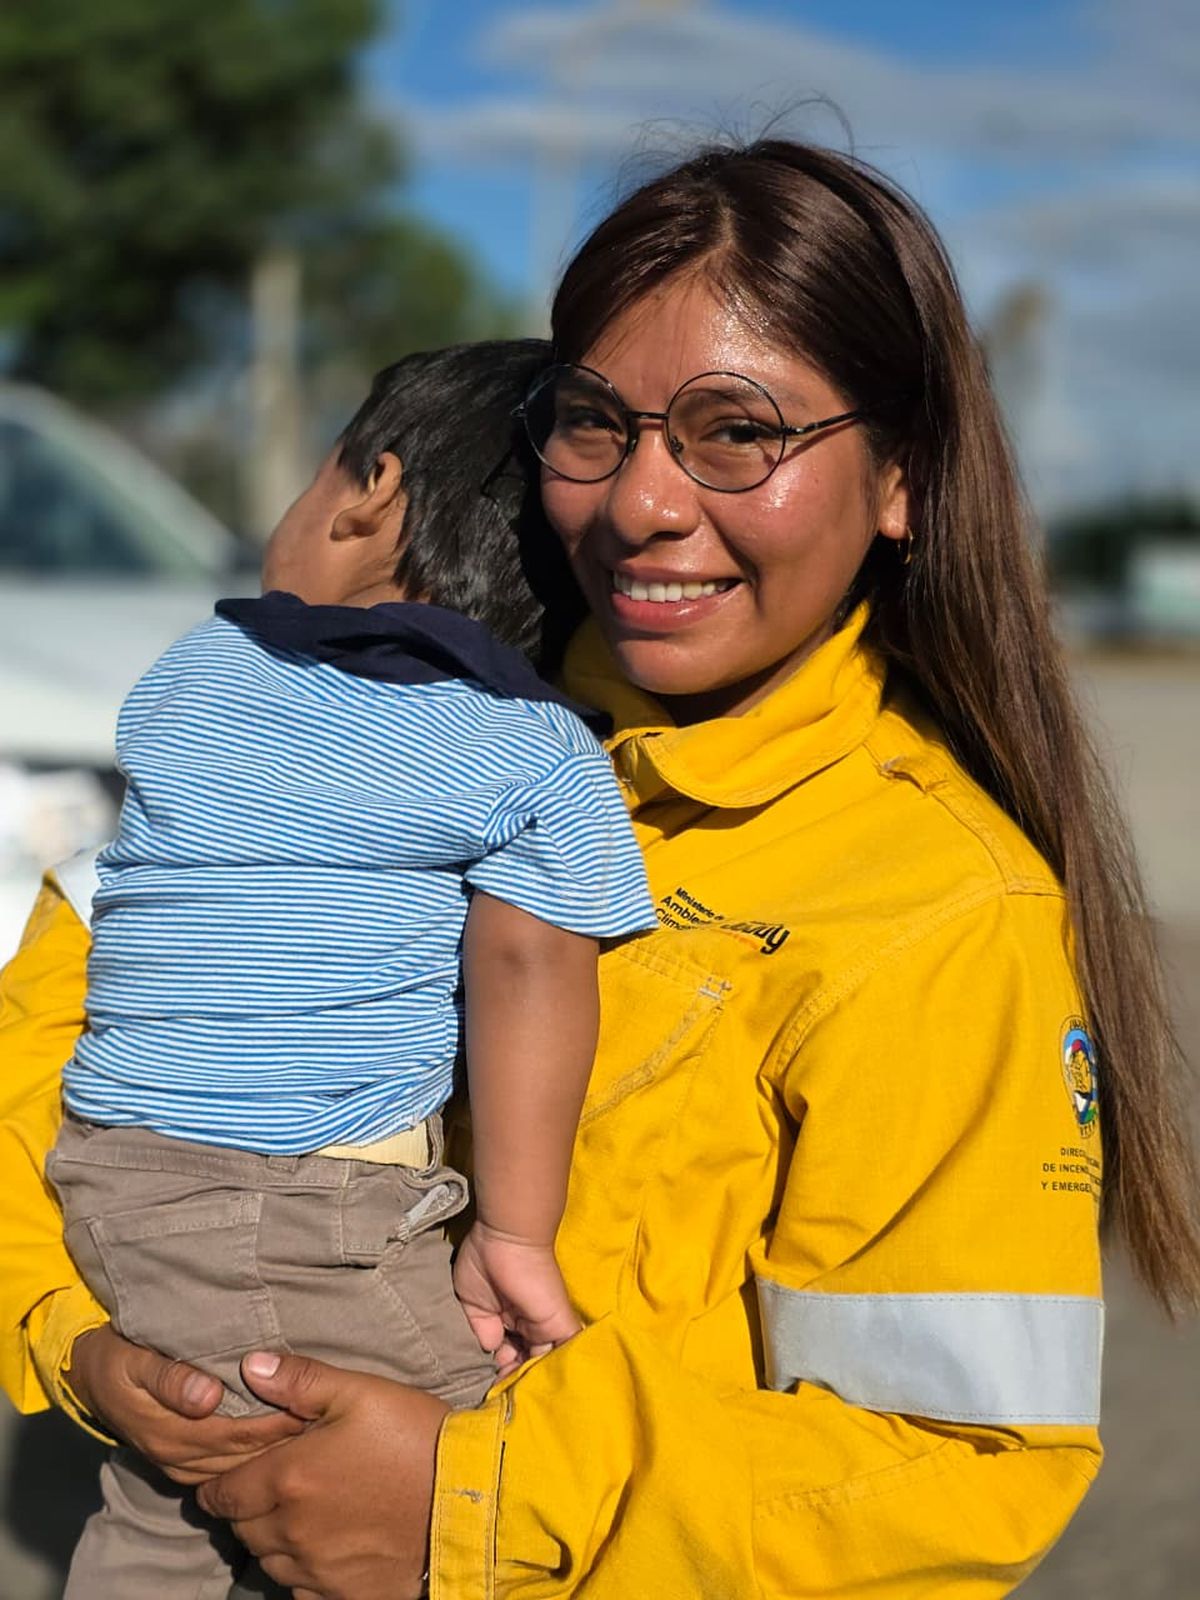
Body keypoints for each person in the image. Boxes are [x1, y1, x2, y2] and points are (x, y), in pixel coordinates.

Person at [3, 138, 1199, 1600]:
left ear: (904, 479)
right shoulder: (383, 715)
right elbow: (47, 1037)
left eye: (735, 431)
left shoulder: (938, 913)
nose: (641, 502)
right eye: (598, 424)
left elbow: (955, 1468)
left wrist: (470, 1499)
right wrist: (73, 1336)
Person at [31, 337, 656, 1598]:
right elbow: (532, 965)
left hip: (112, 1175)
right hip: (300, 1203)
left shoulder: (191, 676)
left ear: (368, 491)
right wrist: (517, 1237)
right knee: (454, 1489)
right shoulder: (528, 753)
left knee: (181, 1498)